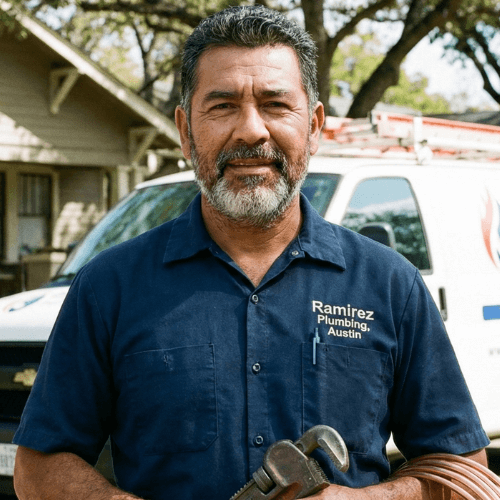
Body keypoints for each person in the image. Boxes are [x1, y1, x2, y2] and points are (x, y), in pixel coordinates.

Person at [13, 5, 489, 500]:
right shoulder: (109, 286)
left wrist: (369, 498)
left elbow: (463, 471)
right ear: (184, 130)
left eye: (276, 104)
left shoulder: (390, 284)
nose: (251, 131)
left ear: (315, 125)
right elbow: (39, 467)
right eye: (221, 107)